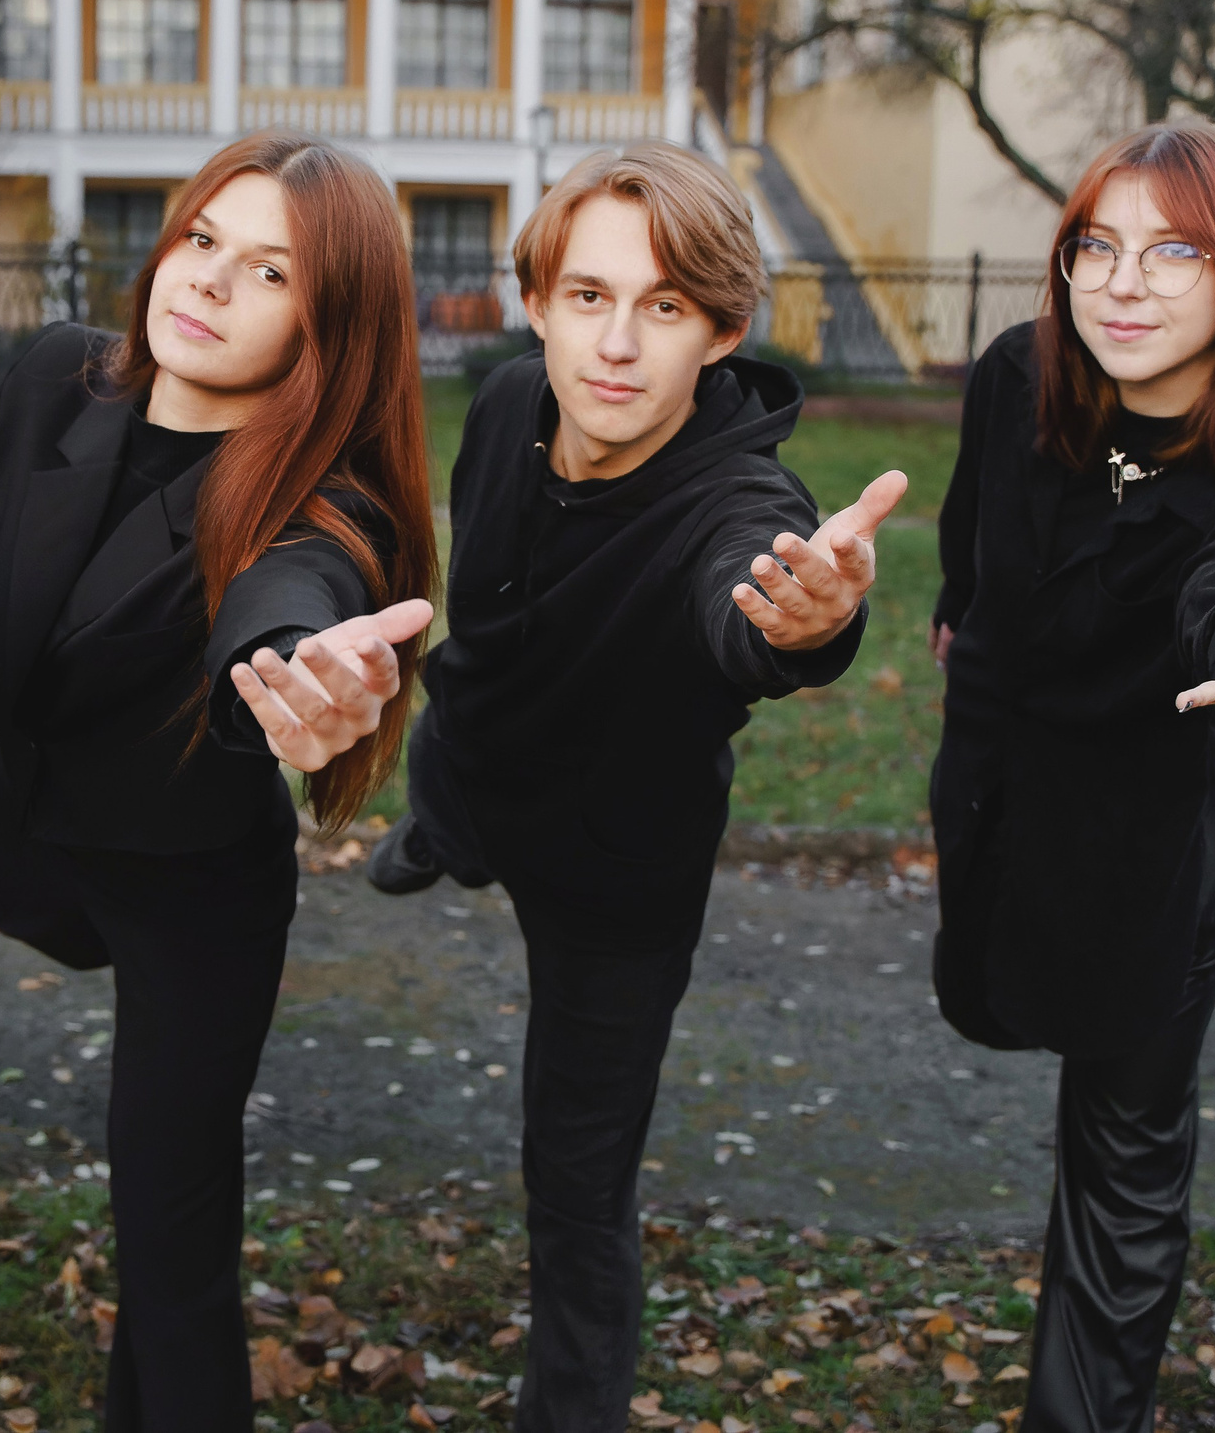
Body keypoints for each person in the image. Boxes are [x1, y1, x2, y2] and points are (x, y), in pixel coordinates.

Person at [0, 130, 438, 1430]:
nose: (211, 282)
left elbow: (292, 601)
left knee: (169, 1235)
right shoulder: (54, 381)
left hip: (192, 889)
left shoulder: (324, 509)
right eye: (202, 238)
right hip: (27, 855)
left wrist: (302, 671)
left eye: (270, 272)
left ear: (328, 322)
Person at [361, 143, 905, 1433]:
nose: (617, 343)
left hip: (619, 862)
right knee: (449, 786)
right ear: (538, 303)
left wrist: (801, 621)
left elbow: (752, 597)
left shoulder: (740, 499)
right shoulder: (505, 404)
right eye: (589, 297)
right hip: (480, 762)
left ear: (718, 332)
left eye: (664, 307)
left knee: (578, 1178)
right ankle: (440, 835)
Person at [927, 122, 1215, 1432]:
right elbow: (971, 529)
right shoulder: (1017, 377)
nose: (1121, 283)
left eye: (1174, 251)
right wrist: (961, 611)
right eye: (1096, 248)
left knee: (1121, 1163)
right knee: (1009, 1007)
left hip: (1150, 844)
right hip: (1005, 799)